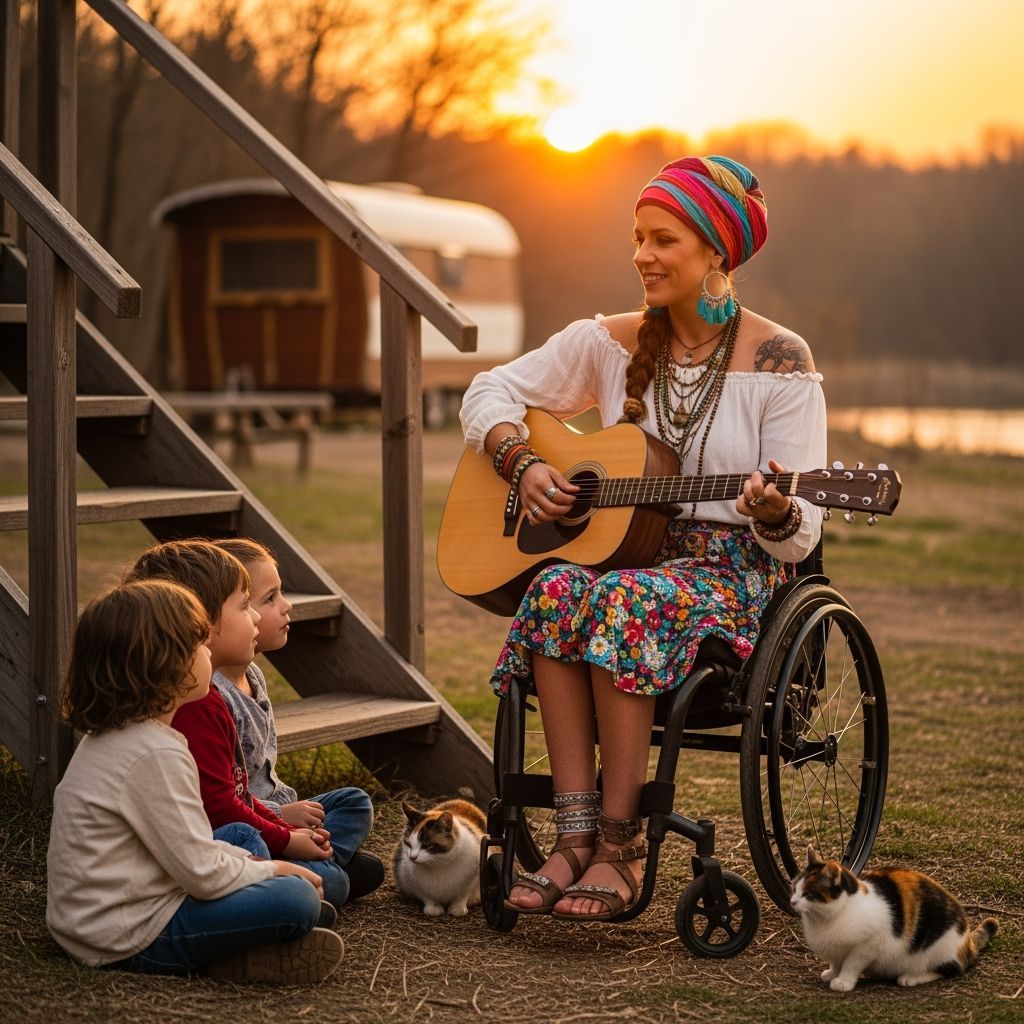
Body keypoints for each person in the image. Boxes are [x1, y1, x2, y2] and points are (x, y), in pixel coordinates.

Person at [459, 155, 826, 920]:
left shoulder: (779, 360)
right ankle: (573, 834)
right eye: (638, 238)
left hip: (730, 575)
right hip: (625, 553)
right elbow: (488, 387)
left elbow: (801, 537)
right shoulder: (604, 341)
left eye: (664, 240)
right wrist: (519, 459)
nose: (642, 256)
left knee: (622, 597)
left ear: (716, 254)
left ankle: (623, 847)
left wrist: (772, 512)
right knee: (559, 585)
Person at [46, 579, 342, 982]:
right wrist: (273, 871)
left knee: (238, 833)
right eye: (200, 645)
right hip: (125, 935)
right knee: (297, 899)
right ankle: (243, 944)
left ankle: (253, 940)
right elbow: (201, 872)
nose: (208, 652)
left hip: (126, 902)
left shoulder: (126, 736)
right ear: (166, 664)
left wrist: (255, 863)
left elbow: (193, 850)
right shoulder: (155, 753)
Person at [124, 540, 349, 909]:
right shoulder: (197, 706)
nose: (259, 618)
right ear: (202, 626)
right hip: (218, 841)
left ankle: (314, 869)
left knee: (351, 804)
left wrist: (288, 832)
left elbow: (237, 795)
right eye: (247, 605)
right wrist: (287, 836)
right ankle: (310, 879)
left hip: (244, 827)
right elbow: (221, 809)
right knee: (316, 882)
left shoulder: (218, 691)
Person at [210, 536, 384, 900]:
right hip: (248, 826)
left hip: (277, 811)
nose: (285, 606)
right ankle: (320, 874)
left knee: (354, 801)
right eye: (267, 599)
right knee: (335, 882)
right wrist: (283, 819)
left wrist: (289, 815)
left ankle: (318, 865)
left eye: (280, 594)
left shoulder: (253, 675)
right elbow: (227, 801)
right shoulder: (213, 695)